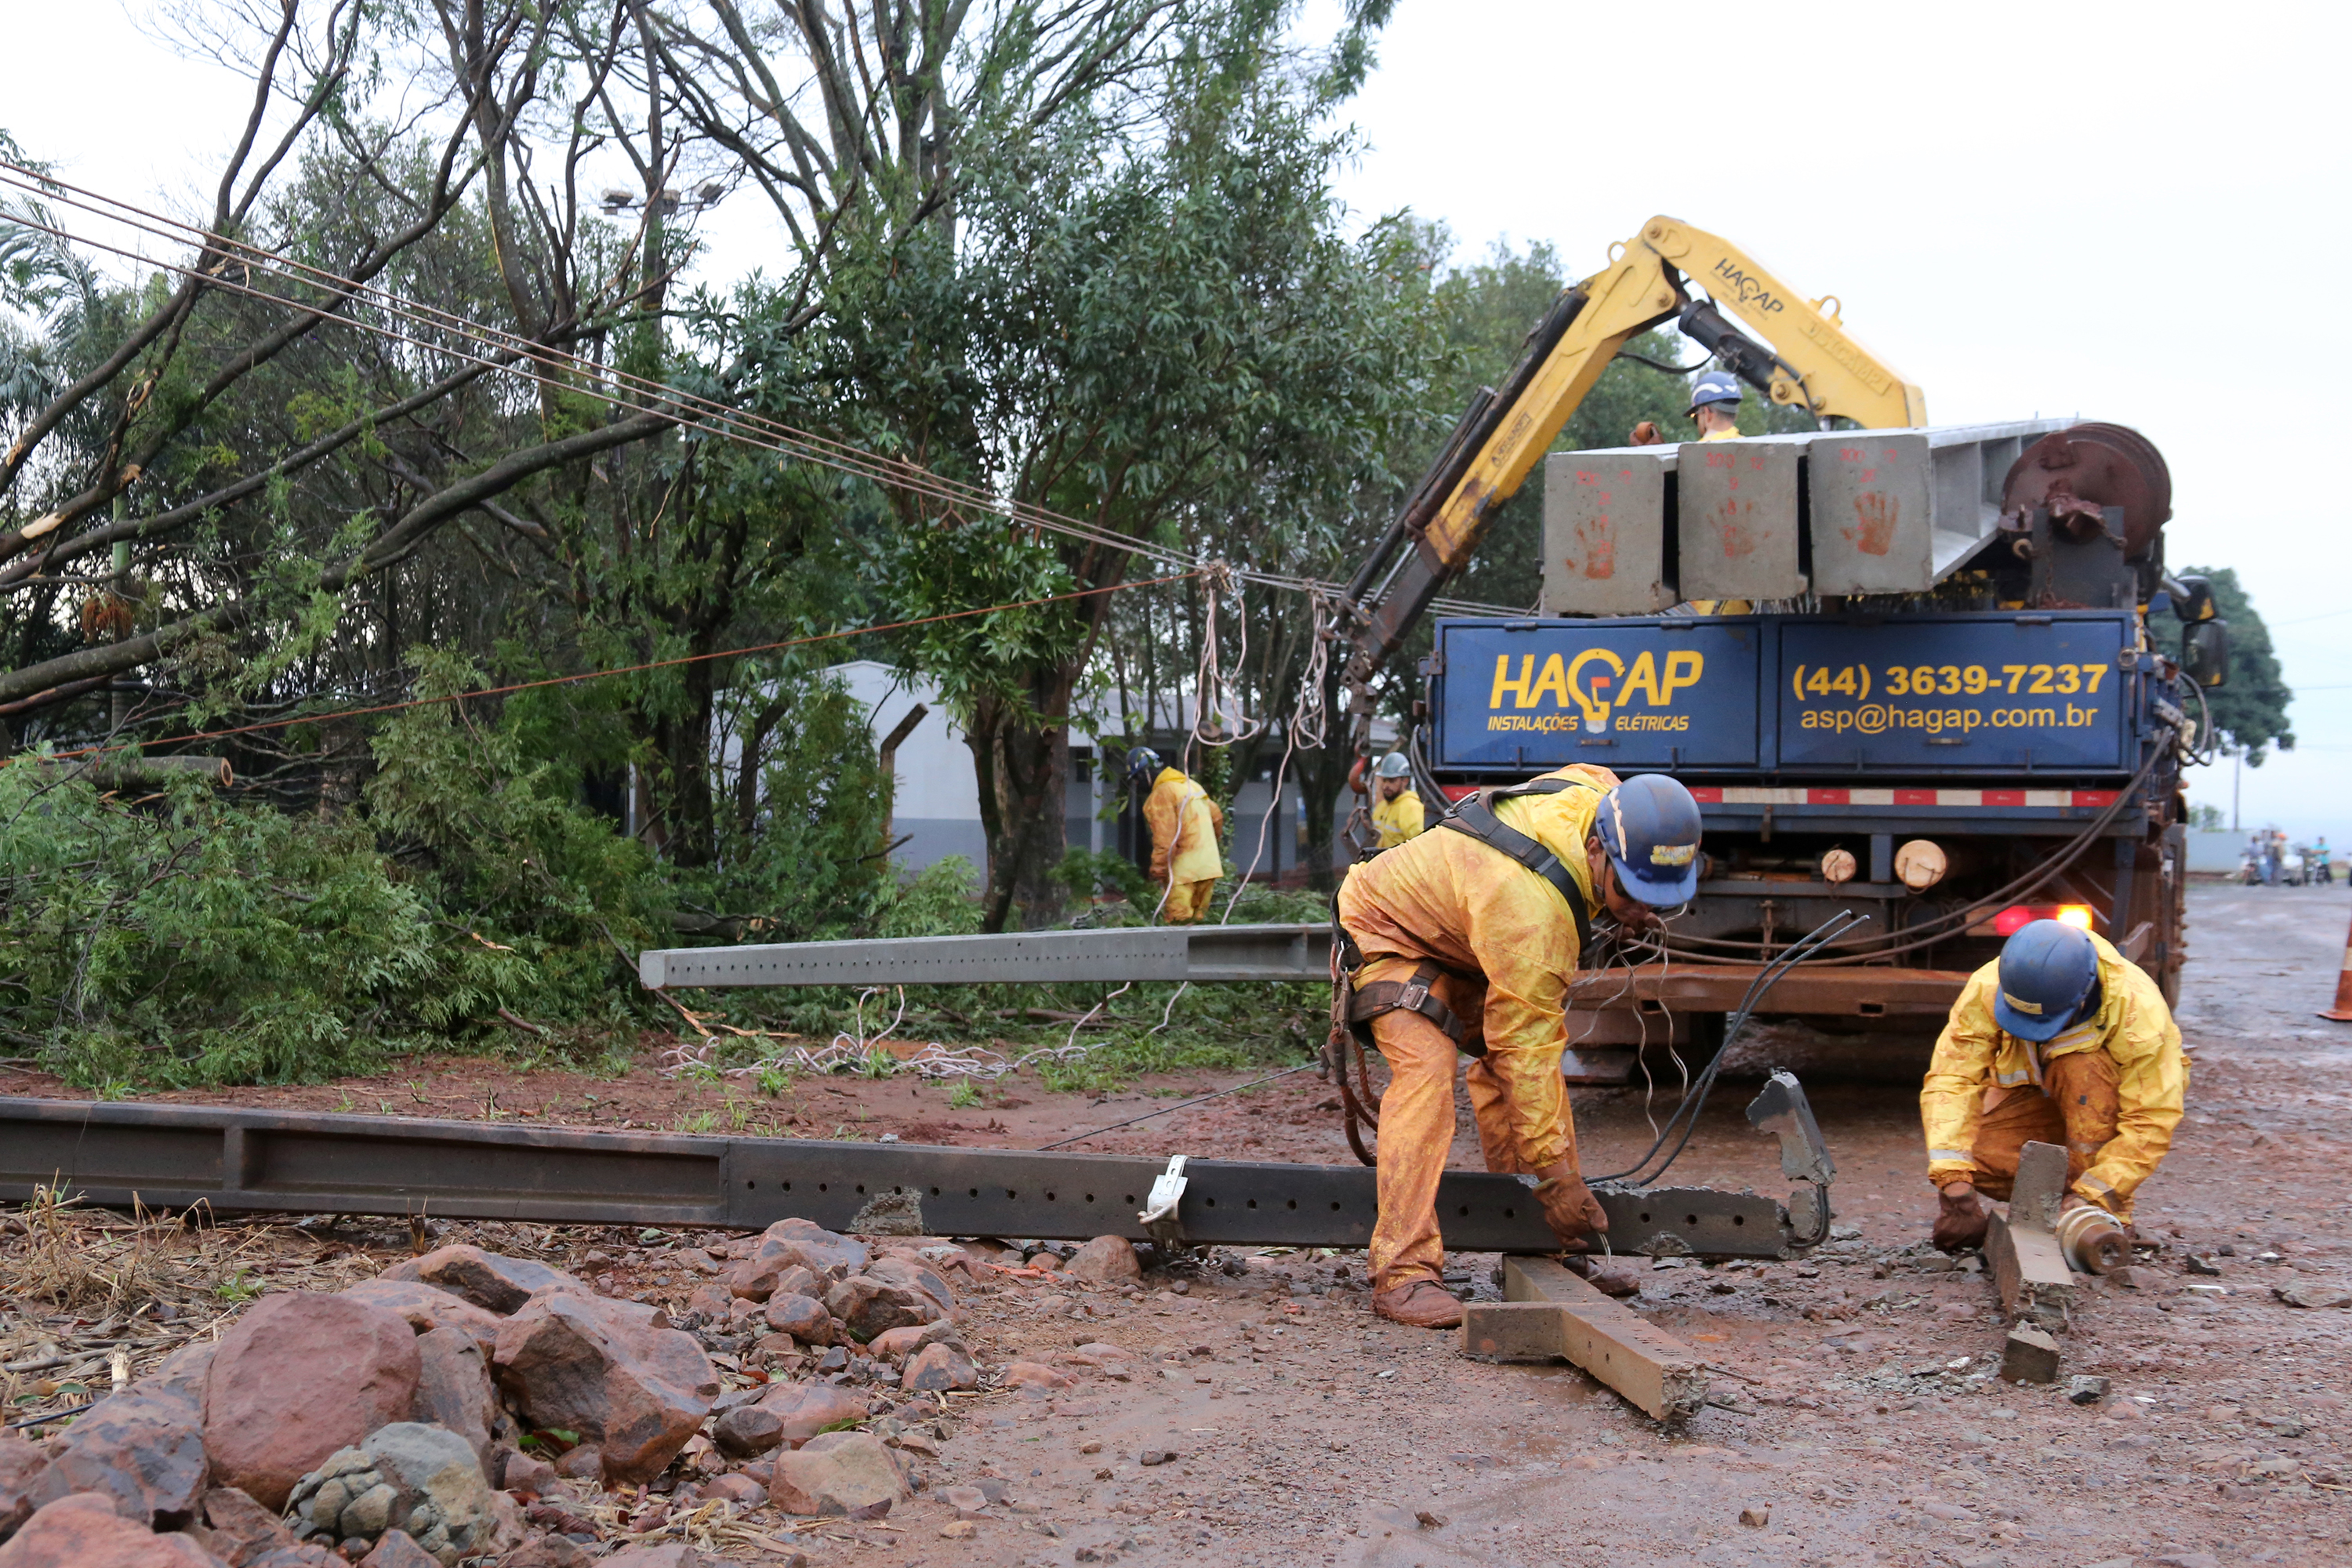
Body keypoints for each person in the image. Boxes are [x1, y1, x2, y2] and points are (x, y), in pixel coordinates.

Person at [1334, 767, 1703, 1327]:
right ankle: (1403, 1273)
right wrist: (1559, 1179)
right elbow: (1525, 1055)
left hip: (1472, 932)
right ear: (1595, 849)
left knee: (1508, 1070)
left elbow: (1586, 777)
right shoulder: (1534, 914)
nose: (1644, 913)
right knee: (1430, 1068)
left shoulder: (1603, 795)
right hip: (1390, 928)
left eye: (1660, 899)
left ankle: (1542, 1245)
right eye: (1632, 893)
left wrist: (1620, 901)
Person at [1922, 919, 2186, 1250]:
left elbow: (2151, 1119)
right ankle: (2057, 1204)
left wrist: (2097, 1193)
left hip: (2095, 1111)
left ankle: (2093, 1208)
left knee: (2081, 1067)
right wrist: (1954, 1185)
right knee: (1970, 1157)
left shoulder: (2137, 1011)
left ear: (2082, 996)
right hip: (2036, 1105)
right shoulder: (1988, 987)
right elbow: (1952, 1079)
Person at [1130, 748, 1224, 924]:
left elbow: (1165, 840)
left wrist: (1158, 871)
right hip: (1209, 868)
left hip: (1183, 873)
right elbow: (1217, 817)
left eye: (1136, 778)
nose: (1136, 784)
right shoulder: (1192, 786)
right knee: (1198, 926)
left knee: (1177, 925)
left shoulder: (1162, 794)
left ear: (1146, 773)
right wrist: (1209, 847)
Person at [1370, 752, 1425, 848]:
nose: (1386, 785)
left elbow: (1419, 847)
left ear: (1405, 781)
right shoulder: (1382, 807)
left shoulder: (1411, 807)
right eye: (1384, 780)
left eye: (1392, 781)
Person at [1687, 370, 1744, 441]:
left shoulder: (1695, 450)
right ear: (1736, 416)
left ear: (1708, 414)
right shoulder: (1753, 446)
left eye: (1696, 417)